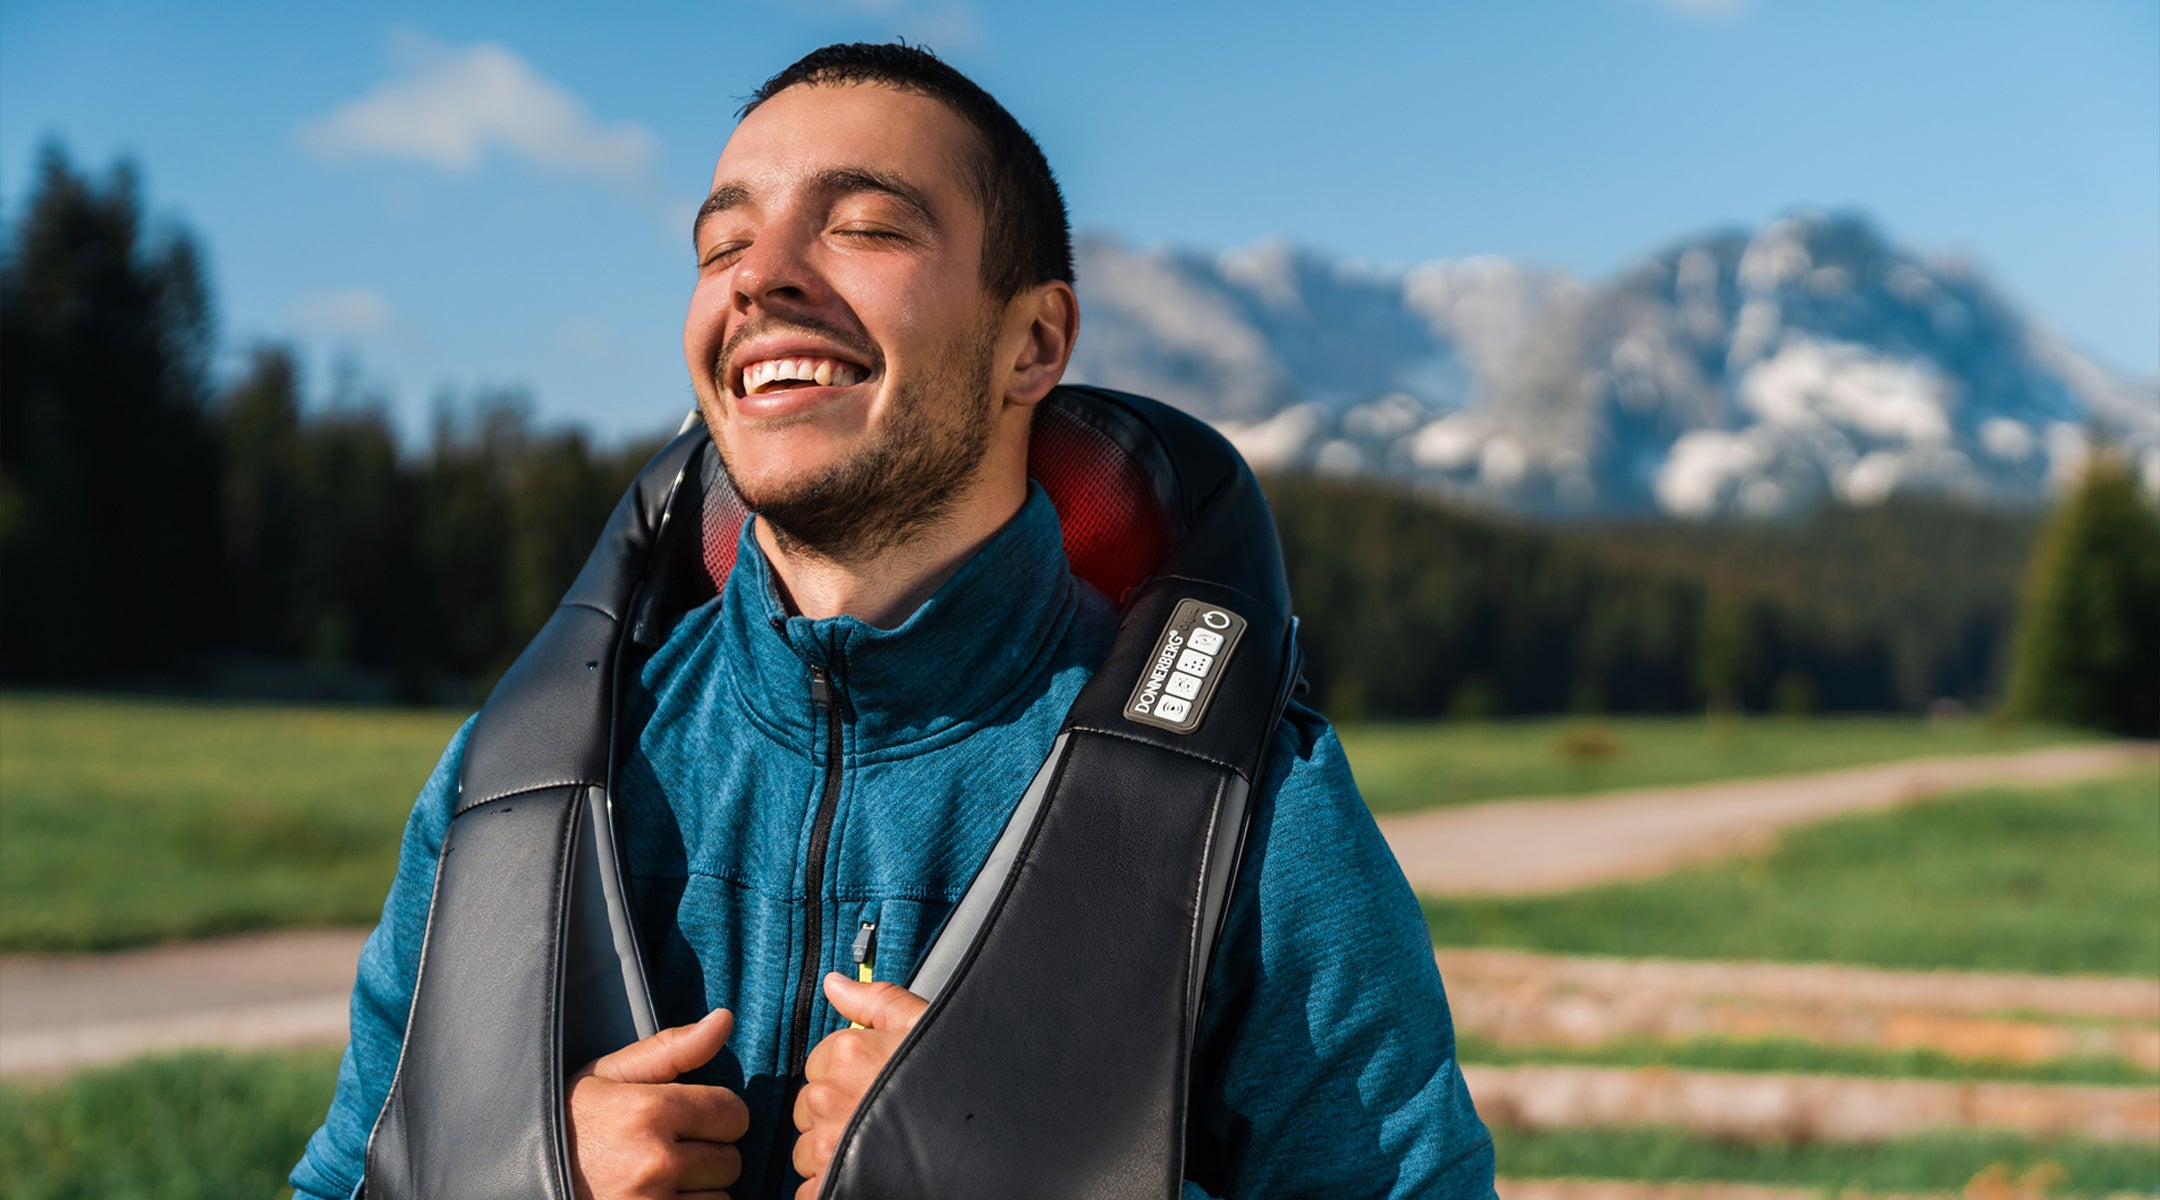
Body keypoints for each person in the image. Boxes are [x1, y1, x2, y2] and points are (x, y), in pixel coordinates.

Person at [291, 41, 1494, 1200]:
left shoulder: (1248, 811)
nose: (761, 276)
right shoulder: (514, 788)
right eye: (721, 245)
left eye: (863, 225)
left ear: (1034, 344)